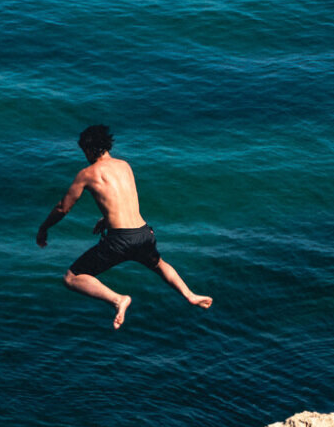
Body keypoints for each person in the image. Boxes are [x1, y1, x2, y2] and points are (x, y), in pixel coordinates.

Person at [36, 125, 212, 329]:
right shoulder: (124, 165)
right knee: (159, 264)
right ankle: (190, 295)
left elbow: (62, 208)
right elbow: (124, 199)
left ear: (90, 149)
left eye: (84, 151)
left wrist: (44, 228)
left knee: (71, 277)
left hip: (120, 240)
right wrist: (106, 219)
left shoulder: (87, 173)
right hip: (144, 232)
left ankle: (118, 300)